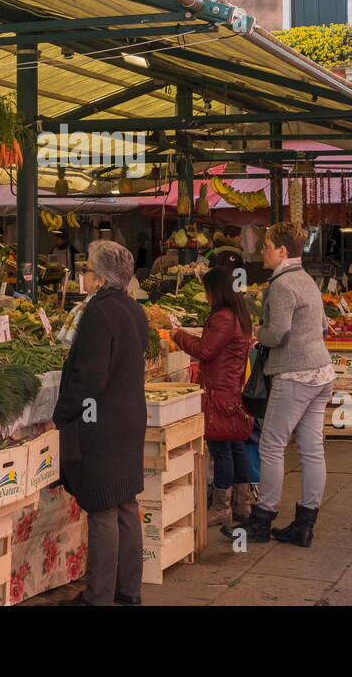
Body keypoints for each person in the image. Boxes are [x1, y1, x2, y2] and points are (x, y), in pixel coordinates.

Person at [222, 222, 334, 548]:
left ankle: (262, 520)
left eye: (267, 245)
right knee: (312, 450)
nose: (262, 251)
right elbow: (324, 324)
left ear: (282, 251)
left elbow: (279, 333)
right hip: (321, 372)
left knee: (271, 445)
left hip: (294, 374)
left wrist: (258, 334)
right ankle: (304, 524)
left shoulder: (282, 285)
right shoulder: (307, 280)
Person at [54, 240, 148, 606]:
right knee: (125, 504)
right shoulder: (133, 310)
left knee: (103, 510)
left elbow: (90, 378)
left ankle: (98, 598)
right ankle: (129, 593)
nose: (83, 277)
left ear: (101, 277)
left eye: (86, 270)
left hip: (102, 423)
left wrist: (62, 413)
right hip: (129, 418)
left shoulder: (99, 313)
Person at [169, 268, 254, 526]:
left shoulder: (224, 317)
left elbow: (205, 351)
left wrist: (178, 335)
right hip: (231, 390)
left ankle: (221, 507)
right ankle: (242, 504)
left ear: (216, 291)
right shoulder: (237, 313)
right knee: (235, 446)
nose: (206, 296)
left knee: (221, 449)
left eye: (207, 290)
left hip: (219, 392)